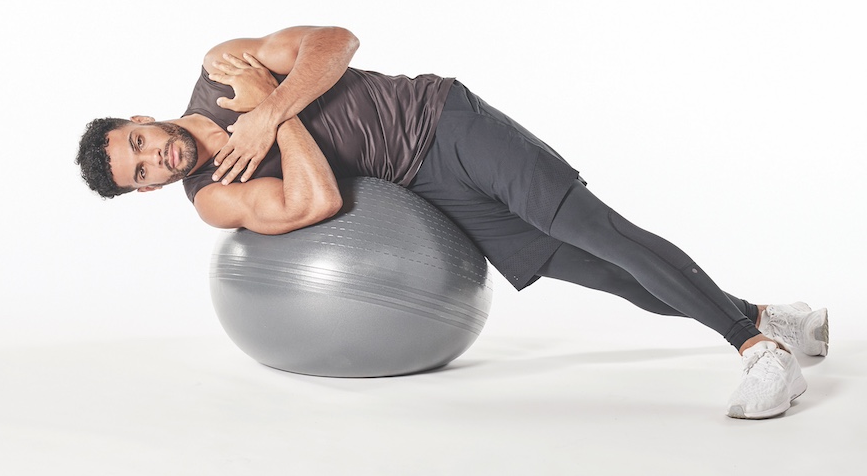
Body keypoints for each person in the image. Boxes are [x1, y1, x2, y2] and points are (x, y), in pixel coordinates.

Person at [76, 25, 828, 419]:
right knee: (587, 268)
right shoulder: (212, 196)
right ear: (146, 190)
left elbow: (336, 41)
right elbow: (317, 202)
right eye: (140, 172)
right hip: (422, 188)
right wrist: (272, 118)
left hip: (445, 119)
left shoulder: (220, 67)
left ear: (141, 119)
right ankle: (770, 316)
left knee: (597, 229)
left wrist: (267, 103)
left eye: (137, 143)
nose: (155, 158)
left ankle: (757, 348)